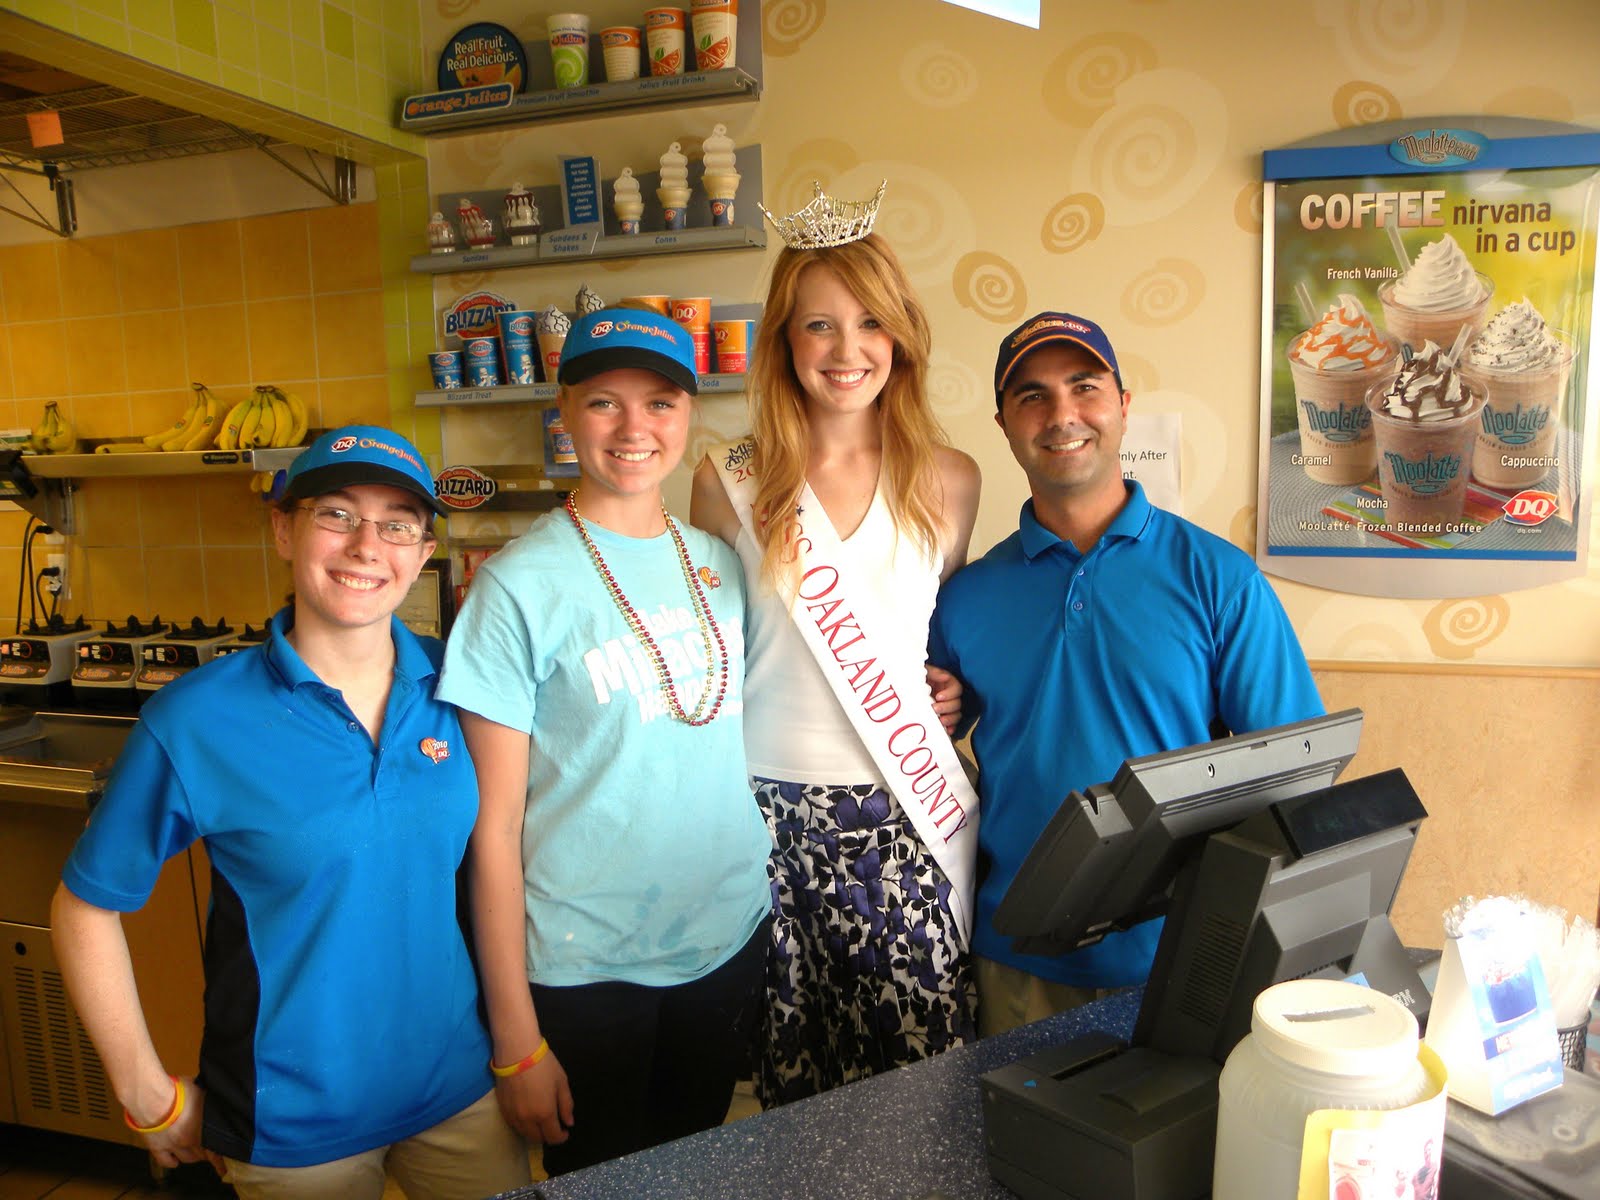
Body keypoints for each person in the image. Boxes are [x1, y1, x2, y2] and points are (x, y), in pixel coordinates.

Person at [51, 426, 531, 1199]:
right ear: (284, 529)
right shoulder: (198, 719)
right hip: (293, 1124)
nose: (367, 545)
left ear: (421, 550)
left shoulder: (460, 686)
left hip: (459, 1090)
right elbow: (84, 908)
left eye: (397, 523)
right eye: (336, 514)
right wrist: (143, 1089)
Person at [438, 308, 771, 1175]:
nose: (634, 429)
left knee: (700, 1174)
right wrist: (516, 1042)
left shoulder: (720, 563)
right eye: (604, 404)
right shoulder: (514, 588)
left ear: (688, 414)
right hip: (587, 971)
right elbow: (493, 828)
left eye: (660, 403)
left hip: (726, 941)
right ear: (564, 411)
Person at [927, 311, 1324, 1037]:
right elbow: (919, 739)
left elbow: (1293, 778)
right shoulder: (965, 596)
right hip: (1017, 963)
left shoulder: (1218, 579)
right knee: (1019, 1152)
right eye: (1032, 396)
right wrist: (938, 707)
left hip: (1180, 961)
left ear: (1122, 405)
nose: (1062, 415)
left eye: (1085, 387)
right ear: (1004, 423)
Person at [691, 206, 983, 1105]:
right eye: (819, 322)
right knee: (792, 1087)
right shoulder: (726, 478)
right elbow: (712, 651)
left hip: (907, 815)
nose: (845, 347)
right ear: (784, 340)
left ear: (900, 336)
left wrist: (955, 695)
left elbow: (933, 641)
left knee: (922, 1081)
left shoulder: (950, 478)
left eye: (868, 321)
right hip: (764, 820)